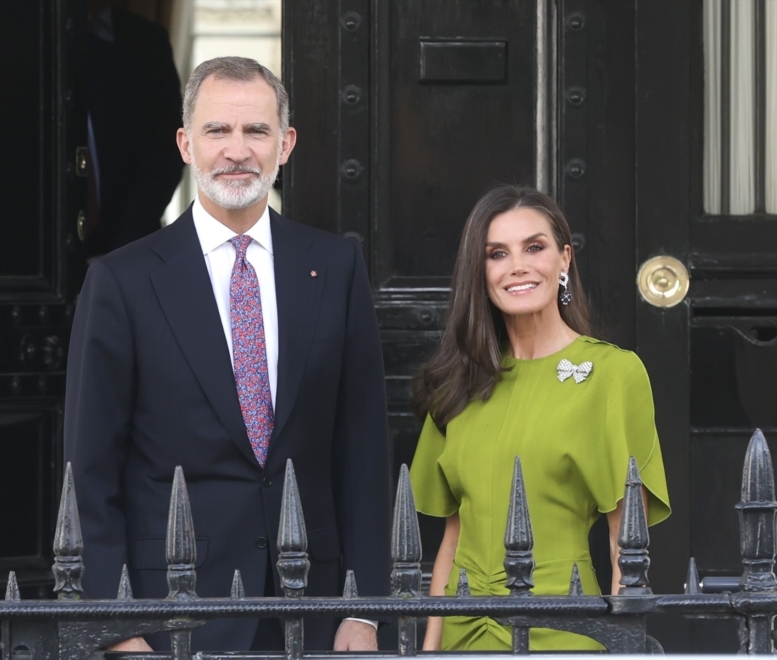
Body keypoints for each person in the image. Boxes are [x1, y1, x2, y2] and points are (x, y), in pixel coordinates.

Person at [64, 56, 391, 653]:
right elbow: (91, 467)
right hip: (174, 613)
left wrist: (364, 610)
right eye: (218, 130)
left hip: (313, 609)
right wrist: (116, 622)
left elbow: (362, 449)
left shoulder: (335, 269)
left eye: (256, 131)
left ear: (285, 144)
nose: (237, 150)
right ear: (186, 143)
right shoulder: (123, 282)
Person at [409, 185, 671, 652]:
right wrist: (430, 647)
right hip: (463, 631)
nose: (518, 267)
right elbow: (454, 535)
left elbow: (625, 540)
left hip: (564, 626)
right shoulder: (459, 382)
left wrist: (623, 645)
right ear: (480, 270)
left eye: (535, 247)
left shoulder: (613, 374)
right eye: (497, 254)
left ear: (564, 259)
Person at [84, 0, 186, 256]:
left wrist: (119, 255)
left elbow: (164, 156)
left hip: (127, 250)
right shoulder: (24, 34)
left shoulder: (146, 41)